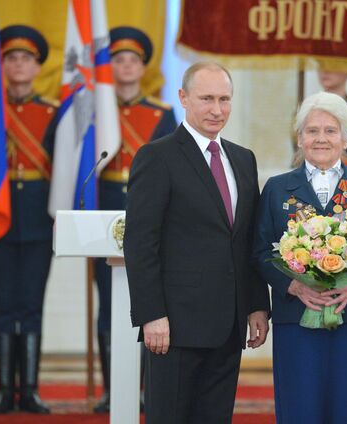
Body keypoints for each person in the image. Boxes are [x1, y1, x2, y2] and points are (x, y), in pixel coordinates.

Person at [123, 61, 270, 423]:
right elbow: (141, 244)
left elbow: (246, 240)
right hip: (175, 326)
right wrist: (151, 314)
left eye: (224, 99)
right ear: (183, 98)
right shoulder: (157, 156)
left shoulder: (243, 159)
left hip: (229, 325)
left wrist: (256, 305)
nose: (217, 109)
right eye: (206, 98)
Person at [253, 92, 347, 424]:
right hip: (297, 318)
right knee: (299, 407)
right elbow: (260, 252)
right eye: (312, 130)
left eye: (331, 130)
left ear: (346, 138)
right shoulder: (278, 188)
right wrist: (293, 286)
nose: (321, 138)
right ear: (299, 137)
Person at [93, 25, 177, 413]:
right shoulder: (94, 111)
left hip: (149, 211)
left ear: (143, 68)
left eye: (132, 60)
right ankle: (112, 389)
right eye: (118, 60)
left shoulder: (160, 114)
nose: (125, 66)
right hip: (104, 208)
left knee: (149, 301)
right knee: (106, 303)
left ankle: (145, 388)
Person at [0, 25, 58, 414]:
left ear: (36, 67)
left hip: (35, 217)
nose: (18, 64)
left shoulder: (50, 113)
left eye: (25, 59)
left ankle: (28, 389)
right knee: (2, 305)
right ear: (2, 65)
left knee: (30, 304)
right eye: (11, 58)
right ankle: (2, 391)